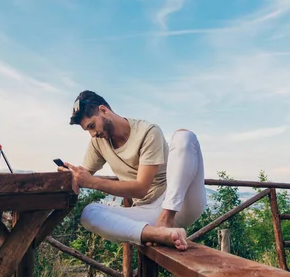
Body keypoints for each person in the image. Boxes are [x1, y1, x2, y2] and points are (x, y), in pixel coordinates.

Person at [59, 90, 206, 251]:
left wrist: (93, 182)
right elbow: (83, 176)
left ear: (103, 110)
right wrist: (68, 176)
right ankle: (154, 234)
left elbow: (141, 188)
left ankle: (166, 221)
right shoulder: (98, 142)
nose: (93, 134)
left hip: (180, 203)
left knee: (184, 137)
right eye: (88, 130)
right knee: (89, 213)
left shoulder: (148, 132)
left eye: (92, 126)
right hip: (146, 212)